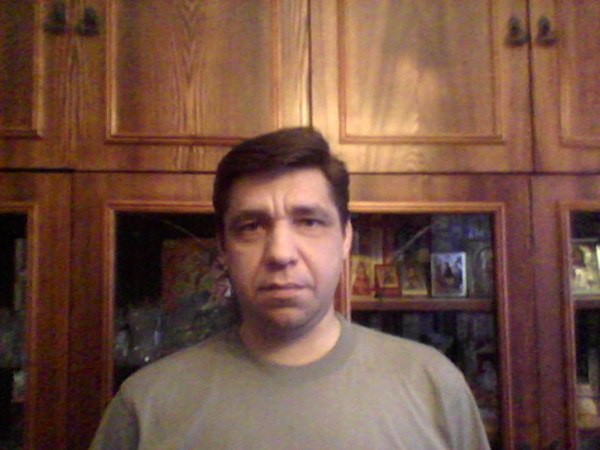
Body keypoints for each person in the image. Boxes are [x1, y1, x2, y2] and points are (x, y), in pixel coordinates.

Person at [90, 127, 490, 449]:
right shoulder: (145, 406)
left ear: (346, 239)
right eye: (252, 226)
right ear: (224, 248)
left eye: (309, 222)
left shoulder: (434, 387)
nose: (281, 253)